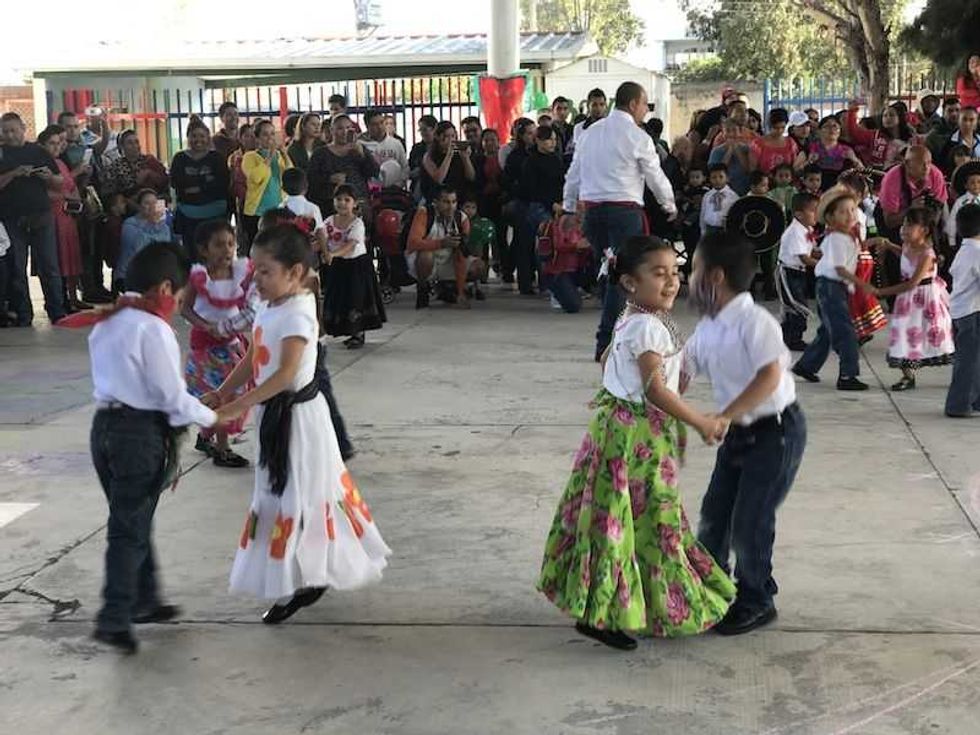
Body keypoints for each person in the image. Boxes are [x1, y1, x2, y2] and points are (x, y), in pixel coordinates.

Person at [537, 236, 734, 651]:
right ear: (629, 281)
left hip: (622, 429)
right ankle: (607, 613)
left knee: (621, 520)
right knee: (635, 521)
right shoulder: (646, 325)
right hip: (634, 436)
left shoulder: (634, 316)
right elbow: (655, 390)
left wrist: (616, 393)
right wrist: (700, 421)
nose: (671, 282)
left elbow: (610, 359)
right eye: (658, 274)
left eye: (675, 272)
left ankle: (608, 607)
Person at [213, 223, 390, 623]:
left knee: (302, 497)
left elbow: (285, 375)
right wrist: (224, 391)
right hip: (273, 418)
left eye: (265, 271)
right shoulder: (269, 305)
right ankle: (295, 576)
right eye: (254, 269)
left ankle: (306, 577)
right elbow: (256, 353)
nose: (255, 279)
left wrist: (235, 406)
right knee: (279, 498)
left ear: (294, 273)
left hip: (299, 422)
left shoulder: (297, 312)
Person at [72, 241, 231, 654]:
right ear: (165, 287)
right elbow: (171, 398)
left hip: (104, 428)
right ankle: (114, 616)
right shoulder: (153, 328)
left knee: (133, 520)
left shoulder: (109, 320)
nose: (179, 306)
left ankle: (146, 599)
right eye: (180, 298)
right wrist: (213, 417)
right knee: (130, 528)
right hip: (138, 435)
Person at [684, 232, 807, 636]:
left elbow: (770, 375)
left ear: (715, 276)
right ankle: (713, 589)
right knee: (715, 515)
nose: (688, 277)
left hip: (776, 432)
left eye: (694, 269)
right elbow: (681, 370)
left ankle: (757, 598)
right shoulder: (708, 326)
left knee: (750, 520)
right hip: (737, 433)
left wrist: (725, 414)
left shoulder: (756, 321)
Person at [562, 81, 677, 362]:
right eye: (644, 105)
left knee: (609, 272)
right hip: (624, 213)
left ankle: (618, 335)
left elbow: (573, 173)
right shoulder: (637, 136)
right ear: (634, 103)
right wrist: (668, 203)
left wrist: (567, 207)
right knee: (623, 278)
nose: (645, 111)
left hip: (593, 214)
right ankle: (608, 342)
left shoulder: (589, 133)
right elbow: (655, 175)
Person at [181, 220, 252, 467]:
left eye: (231, 244)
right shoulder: (199, 277)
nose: (227, 250)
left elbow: (246, 305)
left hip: (232, 342)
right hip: (206, 346)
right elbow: (185, 309)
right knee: (221, 395)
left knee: (232, 392)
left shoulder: (241, 273)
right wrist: (205, 325)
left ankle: (205, 437)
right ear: (204, 249)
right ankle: (222, 448)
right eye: (219, 245)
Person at [862, 208, 955, 391]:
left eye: (910, 225)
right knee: (903, 335)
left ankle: (961, 374)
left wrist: (882, 292)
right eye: (903, 224)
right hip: (907, 302)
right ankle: (907, 375)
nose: (904, 229)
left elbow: (912, 283)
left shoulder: (927, 254)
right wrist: (890, 246)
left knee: (934, 336)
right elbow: (903, 256)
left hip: (925, 301)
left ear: (925, 230)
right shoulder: (907, 246)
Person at [792, 186, 869, 391]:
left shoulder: (848, 236)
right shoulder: (836, 238)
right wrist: (864, 285)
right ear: (831, 218)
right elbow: (840, 268)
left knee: (828, 330)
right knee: (845, 332)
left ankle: (806, 366)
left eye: (852, 210)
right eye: (843, 212)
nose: (849, 215)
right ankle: (847, 375)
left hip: (835, 287)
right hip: (830, 287)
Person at [0, 112, 67, 325]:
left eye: (13, 130)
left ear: (23, 128)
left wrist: (49, 177)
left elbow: (59, 181)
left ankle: (57, 310)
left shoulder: (38, 151)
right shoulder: (1, 154)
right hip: (12, 217)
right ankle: (24, 314)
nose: (10, 135)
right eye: (5, 131)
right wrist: (14, 173)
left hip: (40, 214)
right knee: (18, 267)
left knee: (49, 265)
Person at [321, 184, 386, 348]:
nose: (342, 203)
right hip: (338, 267)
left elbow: (350, 245)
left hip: (357, 267)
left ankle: (358, 333)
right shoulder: (329, 221)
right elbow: (321, 237)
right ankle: (345, 330)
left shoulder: (357, 224)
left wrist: (332, 254)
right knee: (340, 298)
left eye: (347, 200)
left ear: (355, 203)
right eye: (338, 199)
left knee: (356, 299)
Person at [407, 185, 486, 309]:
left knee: (479, 266)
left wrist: (461, 293)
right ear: (435, 202)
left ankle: (453, 289)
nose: (451, 207)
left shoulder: (462, 219)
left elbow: (460, 256)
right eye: (446, 202)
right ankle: (422, 288)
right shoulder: (424, 213)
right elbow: (412, 243)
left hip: (449, 260)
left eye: (454, 202)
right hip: (425, 262)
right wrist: (441, 243)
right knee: (426, 255)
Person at [38, 125, 89, 312]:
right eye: (51, 143)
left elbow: (70, 184)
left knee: (71, 256)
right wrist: (65, 197)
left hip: (69, 216)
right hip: (53, 215)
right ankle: (60, 300)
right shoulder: (41, 166)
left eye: (58, 143)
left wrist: (75, 198)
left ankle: (74, 297)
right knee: (57, 258)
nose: (56, 147)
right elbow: (42, 193)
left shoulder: (60, 163)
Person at [170, 118, 230, 260]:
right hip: (188, 214)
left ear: (208, 138)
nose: (198, 140)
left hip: (215, 213)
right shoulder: (179, 158)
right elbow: (177, 183)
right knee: (192, 255)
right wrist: (206, 181)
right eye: (194, 136)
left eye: (202, 136)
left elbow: (222, 184)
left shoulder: (217, 158)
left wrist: (194, 185)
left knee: (217, 254)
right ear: (188, 138)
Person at [518, 125, 565, 288]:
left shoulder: (556, 159)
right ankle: (544, 282)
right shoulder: (530, 161)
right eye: (548, 139)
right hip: (538, 206)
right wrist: (552, 204)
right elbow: (533, 190)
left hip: (557, 205)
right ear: (538, 140)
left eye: (554, 139)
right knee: (545, 242)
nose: (552, 143)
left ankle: (551, 281)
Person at [945, 204, 980, 416]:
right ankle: (958, 405)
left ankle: (975, 400)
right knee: (968, 361)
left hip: (963, 311)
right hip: (971, 312)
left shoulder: (965, 250)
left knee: (974, 358)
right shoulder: (977, 251)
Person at [307, 115, 379, 217]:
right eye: (340, 128)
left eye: (348, 128)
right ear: (332, 130)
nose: (345, 132)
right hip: (329, 206)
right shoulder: (320, 153)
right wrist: (329, 179)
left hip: (357, 204)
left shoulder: (359, 149)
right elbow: (311, 180)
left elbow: (374, 172)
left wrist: (363, 154)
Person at [777, 192, 820, 351]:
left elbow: (812, 251)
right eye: (813, 210)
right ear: (799, 214)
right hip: (789, 272)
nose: (817, 214)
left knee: (795, 305)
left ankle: (786, 337)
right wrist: (824, 266)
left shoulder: (807, 228)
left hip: (799, 272)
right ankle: (793, 339)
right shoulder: (795, 231)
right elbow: (805, 258)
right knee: (797, 306)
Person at [878, 146, 948, 240]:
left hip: (924, 222)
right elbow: (889, 222)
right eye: (921, 164)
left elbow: (939, 208)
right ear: (907, 164)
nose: (926, 168)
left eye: (929, 163)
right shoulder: (892, 179)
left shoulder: (936, 175)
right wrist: (911, 209)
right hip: (898, 223)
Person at [241, 120, 292, 247]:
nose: (270, 138)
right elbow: (256, 178)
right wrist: (269, 156)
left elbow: (290, 175)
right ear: (257, 138)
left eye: (272, 134)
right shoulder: (250, 157)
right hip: (257, 212)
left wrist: (284, 152)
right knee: (258, 247)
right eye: (265, 134)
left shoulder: (279, 156)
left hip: (278, 209)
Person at [116, 189, 173, 292]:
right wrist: (150, 224)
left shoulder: (163, 226)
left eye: (154, 203)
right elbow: (138, 247)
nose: (151, 206)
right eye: (147, 203)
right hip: (129, 275)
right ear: (139, 206)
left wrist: (156, 225)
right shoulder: (129, 224)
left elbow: (164, 248)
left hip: (153, 275)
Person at [101, 130, 169, 205]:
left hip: (154, 203)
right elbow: (110, 192)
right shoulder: (116, 166)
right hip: (128, 207)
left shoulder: (150, 160)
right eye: (130, 143)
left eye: (136, 142)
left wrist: (150, 174)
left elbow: (165, 181)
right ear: (122, 146)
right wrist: (135, 184)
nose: (135, 145)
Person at [794, 116, 861, 192]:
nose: (831, 129)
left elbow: (863, 172)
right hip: (813, 194)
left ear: (840, 131)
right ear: (819, 131)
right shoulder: (810, 149)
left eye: (835, 126)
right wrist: (808, 162)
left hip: (840, 193)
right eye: (827, 126)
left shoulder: (847, 150)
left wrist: (854, 159)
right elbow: (795, 172)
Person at [842, 100, 914, 170]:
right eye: (885, 116)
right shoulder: (875, 136)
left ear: (900, 118)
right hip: (878, 175)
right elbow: (855, 133)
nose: (887, 118)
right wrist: (852, 111)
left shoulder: (910, 139)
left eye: (891, 115)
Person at [421, 121, 476, 206]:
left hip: (459, 196)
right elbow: (439, 179)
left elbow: (471, 177)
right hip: (438, 197)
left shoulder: (459, 154)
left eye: (453, 136)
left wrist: (465, 158)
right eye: (446, 136)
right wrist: (449, 154)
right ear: (437, 137)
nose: (451, 139)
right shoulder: (429, 156)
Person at [360, 110, 409, 188]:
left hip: (393, 190)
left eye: (382, 122)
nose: (380, 127)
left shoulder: (396, 144)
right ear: (367, 126)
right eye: (375, 124)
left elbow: (405, 168)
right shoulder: (361, 145)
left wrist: (398, 184)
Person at [708, 118, 752, 195]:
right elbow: (719, 171)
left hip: (745, 190)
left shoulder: (747, 149)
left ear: (740, 132)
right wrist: (730, 150)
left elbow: (748, 170)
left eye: (734, 130)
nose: (731, 134)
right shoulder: (716, 151)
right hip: (724, 192)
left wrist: (737, 150)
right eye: (728, 130)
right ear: (723, 133)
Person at [750, 108, 800, 176]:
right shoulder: (758, 144)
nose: (779, 131)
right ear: (769, 126)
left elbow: (794, 166)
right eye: (775, 128)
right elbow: (752, 169)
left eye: (782, 127)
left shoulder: (791, 143)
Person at [938, 106, 980, 175]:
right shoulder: (949, 143)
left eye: (971, 120)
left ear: (977, 122)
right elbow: (943, 168)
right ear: (958, 120)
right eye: (964, 119)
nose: (967, 123)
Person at [700, 163, 738, 235]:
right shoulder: (707, 195)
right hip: (709, 229)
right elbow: (703, 213)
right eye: (714, 177)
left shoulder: (733, 196)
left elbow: (736, 214)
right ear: (710, 179)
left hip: (725, 230)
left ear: (727, 178)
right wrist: (703, 231)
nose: (717, 180)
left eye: (721, 177)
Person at [568, 88, 607, 156]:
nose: (598, 108)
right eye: (594, 105)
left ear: (605, 106)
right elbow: (577, 153)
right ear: (588, 106)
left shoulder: (612, 127)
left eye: (601, 104)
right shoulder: (579, 128)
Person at [948, 165, 980, 243]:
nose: (976, 185)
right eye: (972, 182)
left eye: (979, 182)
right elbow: (953, 221)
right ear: (966, 185)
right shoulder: (960, 202)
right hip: (964, 239)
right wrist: (951, 240)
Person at [409, 115, 437, 197]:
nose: (422, 133)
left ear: (434, 129)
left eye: (425, 130)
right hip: (419, 188)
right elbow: (410, 167)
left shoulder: (440, 148)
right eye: (420, 130)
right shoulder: (416, 148)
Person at [925, 97, 962, 162]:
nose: (954, 114)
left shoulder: (966, 131)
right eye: (950, 111)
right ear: (943, 113)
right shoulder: (934, 135)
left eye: (957, 110)